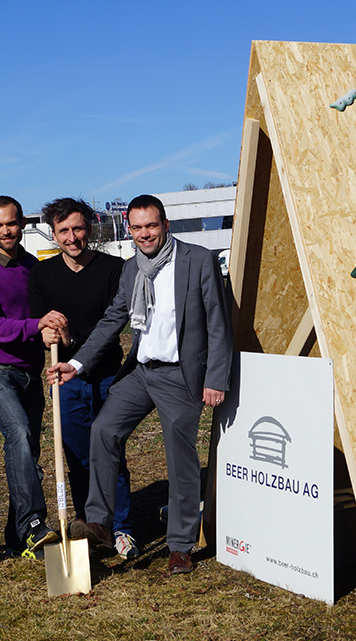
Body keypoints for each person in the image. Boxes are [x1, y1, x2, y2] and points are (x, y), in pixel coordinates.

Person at [48, 194, 232, 575]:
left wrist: (215, 378)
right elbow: (112, 320)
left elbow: (218, 321)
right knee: (104, 429)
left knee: (180, 459)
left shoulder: (198, 260)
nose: (144, 234)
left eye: (151, 225)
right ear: (129, 229)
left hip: (180, 375)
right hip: (140, 372)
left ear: (165, 224)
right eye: (137, 227)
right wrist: (76, 364)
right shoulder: (133, 268)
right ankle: (100, 522)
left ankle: (180, 545)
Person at [28, 198, 138, 559]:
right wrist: (47, 333)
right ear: (54, 233)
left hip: (107, 376)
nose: (72, 237)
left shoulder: (114, 269)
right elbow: (40, 324)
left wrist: (73, 341)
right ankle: (90, 525)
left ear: (89, 229)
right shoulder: (42, 275)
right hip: (65, 381)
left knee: (110, 451)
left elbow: (112, 324)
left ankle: (121, 528)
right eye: (64, 231)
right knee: (76, 458)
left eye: (77, 228)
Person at [0, 196, 68, 559]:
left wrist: (51, 331)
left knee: (27, 454)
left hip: (31, 372)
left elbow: (43, 315)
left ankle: (16, 536)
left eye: (11, 223)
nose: (6, 231)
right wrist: (36, 326)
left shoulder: (32, 267)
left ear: (22, 224)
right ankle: (35, 523)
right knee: (19, 435)